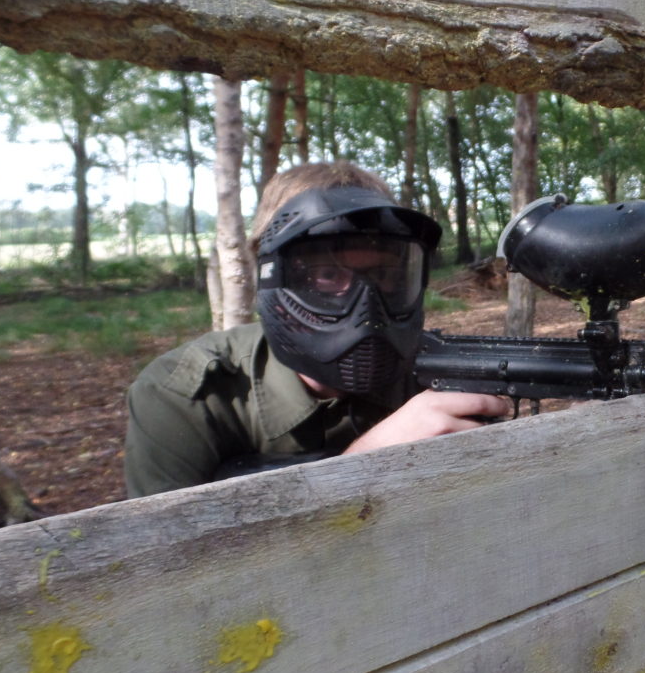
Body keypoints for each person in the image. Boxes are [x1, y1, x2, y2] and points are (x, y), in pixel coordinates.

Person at [123, 161, 510, 497]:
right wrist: (358, 467)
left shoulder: (440, 374)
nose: (366, 307)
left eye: (384, 275)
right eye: (327, 275)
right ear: (269, 270)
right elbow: (172, 569)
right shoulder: (186, 395)